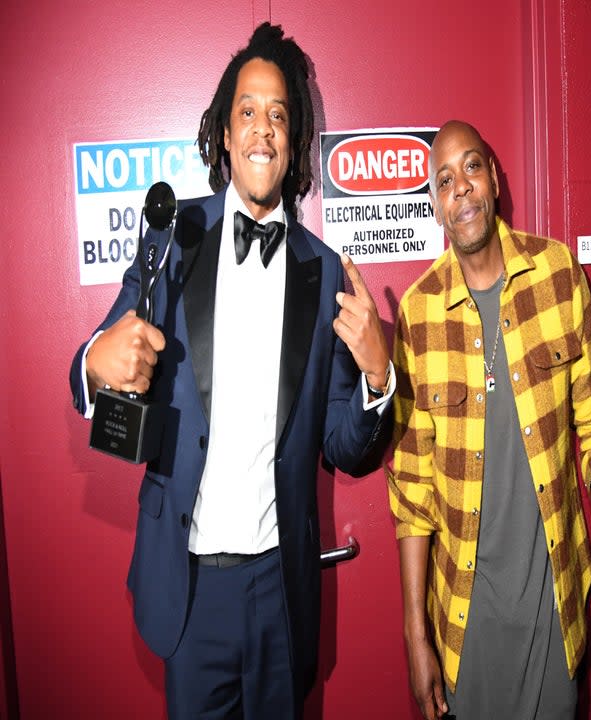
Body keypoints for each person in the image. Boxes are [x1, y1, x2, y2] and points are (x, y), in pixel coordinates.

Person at [69, 23, 393, 720]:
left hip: (282, 587)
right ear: (223, 131)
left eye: (279, 115)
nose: (263, 129)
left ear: (295, 139)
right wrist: (94, 365)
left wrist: (376, 377)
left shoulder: (326, 269)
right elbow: (105, 347)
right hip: (188, 590)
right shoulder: (172, 237)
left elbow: (344, 444)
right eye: (247, 110)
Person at [386, 120, 591, 719]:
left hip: (553, 614)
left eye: (472, 167)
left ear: (496, 180)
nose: (461, 188)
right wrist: (415, 634)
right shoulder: (419, 314)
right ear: (434, 205)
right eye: (444, 179)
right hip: (463, 623)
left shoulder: (558, 276)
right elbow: (411, 491)